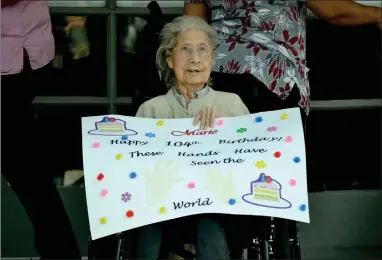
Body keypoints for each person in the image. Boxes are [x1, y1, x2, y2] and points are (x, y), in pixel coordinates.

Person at [183, 0, 381, 258]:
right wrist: (377, 14)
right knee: (271, 183)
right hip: (272, 80)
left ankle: (222, 233)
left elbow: (191, 26)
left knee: (220, 175)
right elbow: (333, 10)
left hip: (216, 79)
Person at [134, 15, 249, 260]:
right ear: (169, 59)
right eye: (185, 50)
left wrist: (227, 126)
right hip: (162, 209)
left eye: (203, 50)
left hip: (219, 209)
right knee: (148, 225)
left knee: (209, 223)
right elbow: (135, 172)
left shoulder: (231, 103)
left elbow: (250, 163)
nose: (195, 59)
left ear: (212, 57)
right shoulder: (151, 110)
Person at [1, 1, 81, 258]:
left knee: (22, 164)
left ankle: (61, 252)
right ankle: (61, 252)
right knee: (24, 165)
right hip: (15, 52)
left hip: (13, 57)